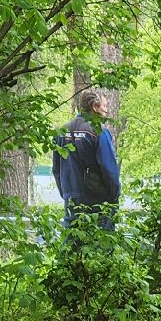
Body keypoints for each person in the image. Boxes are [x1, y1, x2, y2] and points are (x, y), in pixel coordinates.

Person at [53, 89, 120, 230]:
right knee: (101, 245)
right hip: (97, 201)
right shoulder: (98, 131)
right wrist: (114, 195)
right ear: (94, 107)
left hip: (71, 198)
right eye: (104, 106)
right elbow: (109, 169)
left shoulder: (61, 132)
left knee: (73, 243)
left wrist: (66, 193)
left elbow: (56, 169)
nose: (106, 110)